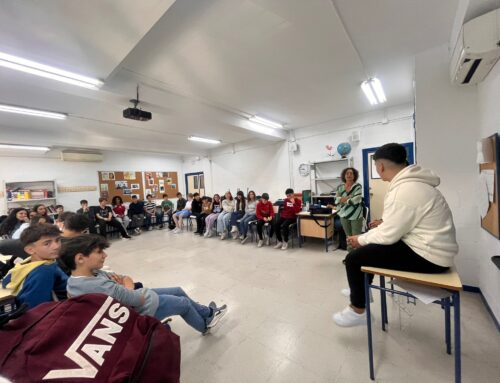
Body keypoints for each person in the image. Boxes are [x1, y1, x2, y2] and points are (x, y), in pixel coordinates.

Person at [332, 143, 459, 327]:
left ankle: (358, 310)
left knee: (354, 257)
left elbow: (388, 236)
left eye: (376, 167)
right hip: (431, 249)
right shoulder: (413, 184)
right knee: (369, 245)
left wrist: (359, 239)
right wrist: (375, 231)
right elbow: (399, 224)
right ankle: (362, 291)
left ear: (380, 166)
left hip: (430, 257)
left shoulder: (404, 190)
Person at [60, 235, 227, 334]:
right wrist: (127, 289)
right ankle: (205, 325)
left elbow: (125, 278)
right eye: (99, 252)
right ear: (80, 258)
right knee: (183, 303)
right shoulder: (96, 285)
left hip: (141, 297)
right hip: (143, 310)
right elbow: (136, 299)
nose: (105, 255)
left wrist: (125, 288)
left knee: (178, 290)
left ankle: (207, 313)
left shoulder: (83, 276)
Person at [1, 224, 68, 309]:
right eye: (47, 243)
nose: (56, 246)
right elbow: (37, 308)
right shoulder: (44, 271)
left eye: (58, 240)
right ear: (30, 250)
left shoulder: (28, 263)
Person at [335, 168, 363, 252]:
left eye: (351, 173)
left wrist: (342, 199)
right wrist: (348, 198)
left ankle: (357, 256)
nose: (349, 175)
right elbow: (336, 199)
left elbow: (356, 200)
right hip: (343, 214)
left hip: (356, 215)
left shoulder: (357, 186)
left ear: (354, 176)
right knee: (348, 237)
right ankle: (350, 255)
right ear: (344, 175)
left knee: (356, 237)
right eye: (347, 173)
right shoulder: (340, 187)